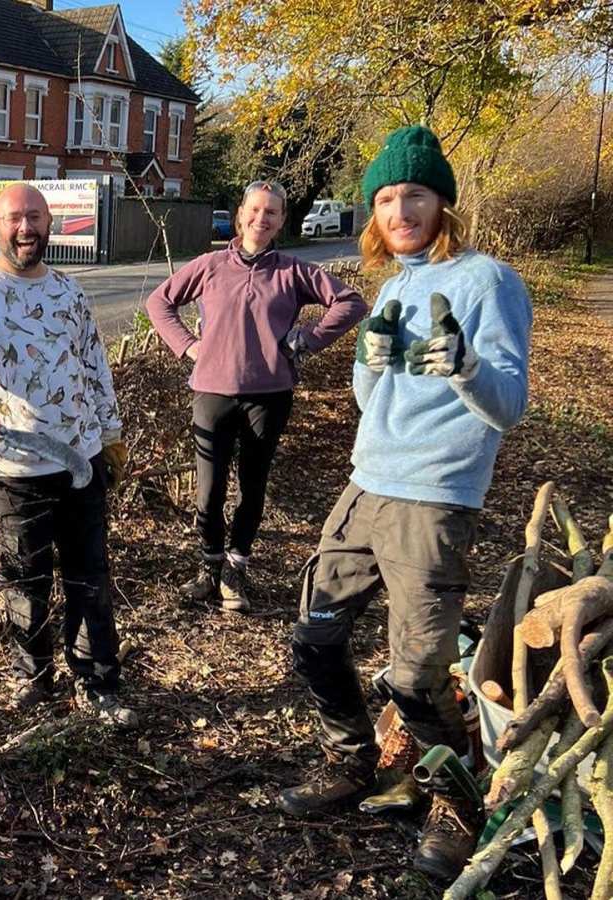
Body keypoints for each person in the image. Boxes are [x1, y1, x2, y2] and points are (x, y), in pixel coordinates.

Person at [277, 126, 532, 881]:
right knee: (315, 637)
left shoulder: (489, 281)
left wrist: (464, 367)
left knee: (418, 675)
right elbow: (372, 400)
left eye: (413, 193)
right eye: (384, 198)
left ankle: (456, 803)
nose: (398, 209)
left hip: (434, 497)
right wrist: (368, 363)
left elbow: (508, 404)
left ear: (442, 202)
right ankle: (351, 760)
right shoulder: (395, 286)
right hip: (366, 485)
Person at [0, 183, 136, 729]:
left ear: (50, 222)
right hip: (16, 470)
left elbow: (94, 365)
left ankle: (97, 681)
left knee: (89, 577)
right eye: (14, 218)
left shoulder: (70, 292)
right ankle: (32, 678)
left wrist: (110, 434)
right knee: (25, 579)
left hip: (81, 463)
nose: (25, 227)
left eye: (34, 216)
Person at [145, 180, 367, 612]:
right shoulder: (210, 265)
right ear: (241, 212)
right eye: (255, 210)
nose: (260, 219)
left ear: (282, 220)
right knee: (209, 490)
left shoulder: (292, 270)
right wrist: (189, 346)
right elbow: (160, 302)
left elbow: (350, 303)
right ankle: (208, 566)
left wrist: (306, 339)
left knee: (252, 484)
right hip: (212, 391)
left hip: (269, 394)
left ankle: (235, 568)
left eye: (271, 213)